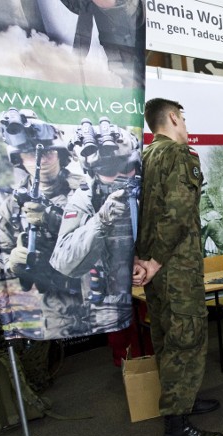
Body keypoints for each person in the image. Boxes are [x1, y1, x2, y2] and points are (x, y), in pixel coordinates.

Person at [135, 98, 223, 436]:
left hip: (155, 270)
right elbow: (178, 213)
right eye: (183, 118)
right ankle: (177, 425)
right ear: (172, 117)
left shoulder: (143, 158)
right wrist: (155, 261)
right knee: (186, 339)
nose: (185, 126)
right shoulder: (180, 156)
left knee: (166, 337)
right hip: (174, 269)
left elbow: (135, 215)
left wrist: (142, 260)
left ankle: (183, 399)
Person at [0, 107, 86, 339]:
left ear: (60, 155)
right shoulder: (12, 205)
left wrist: (51, 218)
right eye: (30, 154)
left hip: (98, 295)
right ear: (20, 160)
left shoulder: (85, 190)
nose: (40, 160)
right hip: (56, 307)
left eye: (48, 152)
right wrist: (11, 262)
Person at [50, 119, 140, 335]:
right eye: (109, 170)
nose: (121, 176)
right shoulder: (85, 198)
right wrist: (101, 220)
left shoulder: (146, 185)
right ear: (93, 172)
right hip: (111, 301)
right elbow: (64, 262)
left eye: (127, 166)